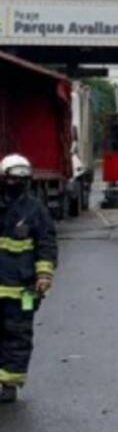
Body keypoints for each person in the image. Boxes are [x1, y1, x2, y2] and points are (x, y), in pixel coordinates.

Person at [0, 154, 57, 404]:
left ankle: (9, 384)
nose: (17, 182)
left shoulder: (35, 209)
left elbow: (46, 243)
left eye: (22, 178)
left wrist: (44, 275)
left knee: (19, 336)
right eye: (13, 178)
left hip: (24, 291)